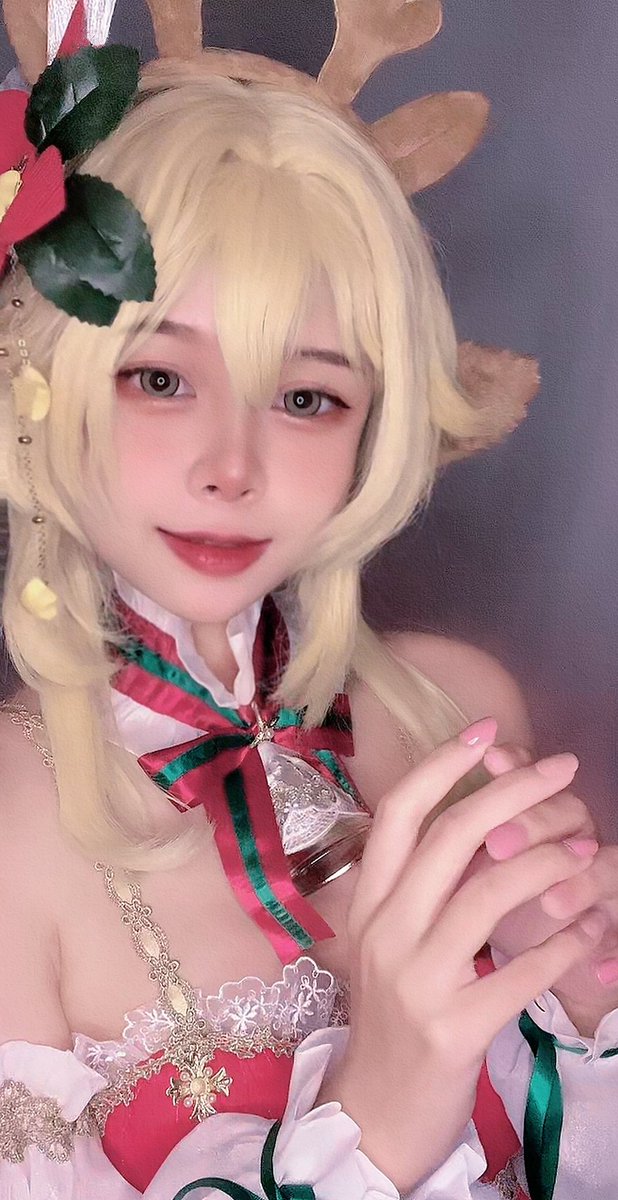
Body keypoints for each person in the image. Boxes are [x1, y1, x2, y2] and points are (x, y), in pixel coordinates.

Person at [1, 7, 618, 1199]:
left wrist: (587, 1026)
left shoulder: (456, 711)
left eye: (305, 398)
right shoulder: (10, 828)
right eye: (160, 377)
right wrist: (378, 1119)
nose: (232, 466)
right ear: (45, 381)